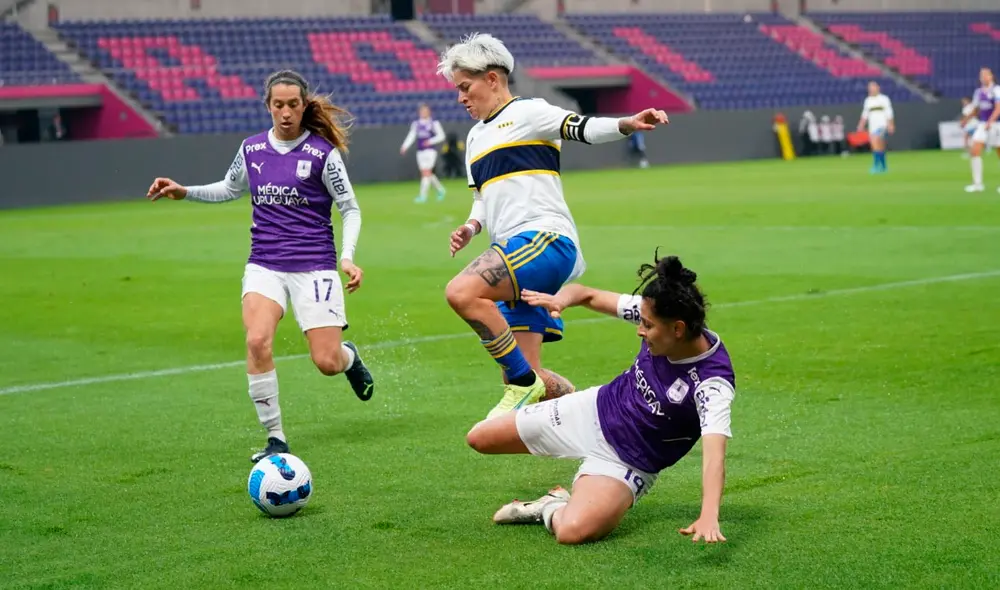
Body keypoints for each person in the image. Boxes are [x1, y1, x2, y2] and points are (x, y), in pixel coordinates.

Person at [146, 69, 375, 462]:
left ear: (304, 106)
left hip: (314, 267)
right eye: (278, 105)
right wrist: (185, 192)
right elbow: (229, 188)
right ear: (267, 106)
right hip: (265, 264)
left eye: (293, 105)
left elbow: (350, 209)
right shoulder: (252, 150)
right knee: (256, 340)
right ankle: (276, 438)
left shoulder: (322, 153)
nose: (285, 113)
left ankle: (348, 357)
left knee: (326, 362)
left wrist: (347, 256)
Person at [438, 33, 669, 419]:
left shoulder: (530, 112)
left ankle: (527, 385)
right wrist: (471, 227)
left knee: (461, 292)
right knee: (527, 378)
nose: (461, 97)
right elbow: (482, 197)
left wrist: (627, 123)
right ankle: (586, 414)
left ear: (492, 79)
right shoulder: (476, 137)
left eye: (466, 87)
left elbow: (583, 127)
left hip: (544, 239)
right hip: (513, 251)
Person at [465, 253, 736, 545]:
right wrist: (561, 300)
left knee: (572, 532)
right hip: (593, 409)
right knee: (479, 438)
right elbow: (586, 294)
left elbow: (714, 455)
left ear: (678, 329)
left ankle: (550, 505)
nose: (640, 330)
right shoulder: (658, 314)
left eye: (647, 325)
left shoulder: (712, 384)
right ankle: (561, 394)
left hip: (627, 461)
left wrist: (709, 514)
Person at [962, 68, 1000, 193]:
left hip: (996, 125)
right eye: (981, 75)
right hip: (983, 124)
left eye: (985, 75)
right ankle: (977, 184)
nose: (983, 77)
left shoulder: (996, 90)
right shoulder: (978, 92)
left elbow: (998, 108)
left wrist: (991, 121)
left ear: (991, 76)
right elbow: (976, 109)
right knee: (975, 150)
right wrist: (966, 119)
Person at [400, 104, 447, 203]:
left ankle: (423, 196)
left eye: (425, 111)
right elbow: (411, 136)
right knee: (427, 173)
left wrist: (430, 141)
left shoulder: (434, 123)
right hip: (420, 151)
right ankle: (441, 190)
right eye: (422, 111)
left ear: (429, 112)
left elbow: (441, 136)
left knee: (426, 173)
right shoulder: (416, 124)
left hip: (430, 151)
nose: (423, 113)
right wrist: (405, 146)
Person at [857, 81, 894, 173]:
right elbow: (865, 114)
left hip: (882, 125)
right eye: (870, 87)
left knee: (875, 142)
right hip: (872, 126)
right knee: (879, 146)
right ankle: (884, 166)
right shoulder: (868, 100)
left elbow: (889, 112)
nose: (871, 89)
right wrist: (861, 124)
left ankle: (876, 165)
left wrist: (890, 124)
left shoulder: (884, 99)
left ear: (878, 88)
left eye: (873, 87)